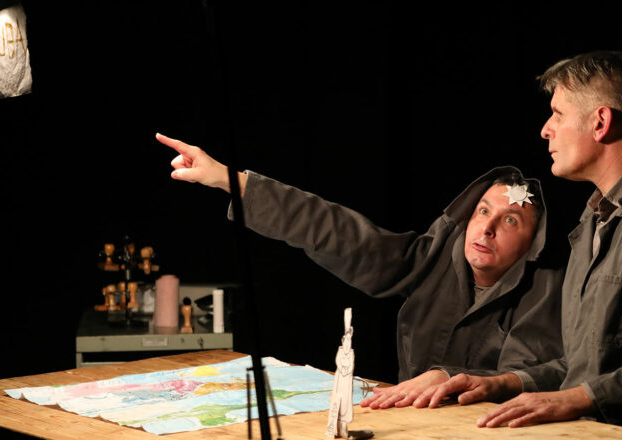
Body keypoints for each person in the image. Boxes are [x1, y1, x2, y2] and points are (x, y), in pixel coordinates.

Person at [419, 51, 622, 440]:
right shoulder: (594, 218)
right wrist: (501, 384)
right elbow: (586, 368)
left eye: (558, 114)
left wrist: (575, 399)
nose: (545, 130)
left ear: (600, 122)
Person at [156, 132, 564, 409]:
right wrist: (231, 181)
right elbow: (337, 232)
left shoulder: (545, 292)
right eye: (483, 211)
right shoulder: (432, 260)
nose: (488, 228)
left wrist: (446, 377)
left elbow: (526, 376)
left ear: (533, 242)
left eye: (511, 220)